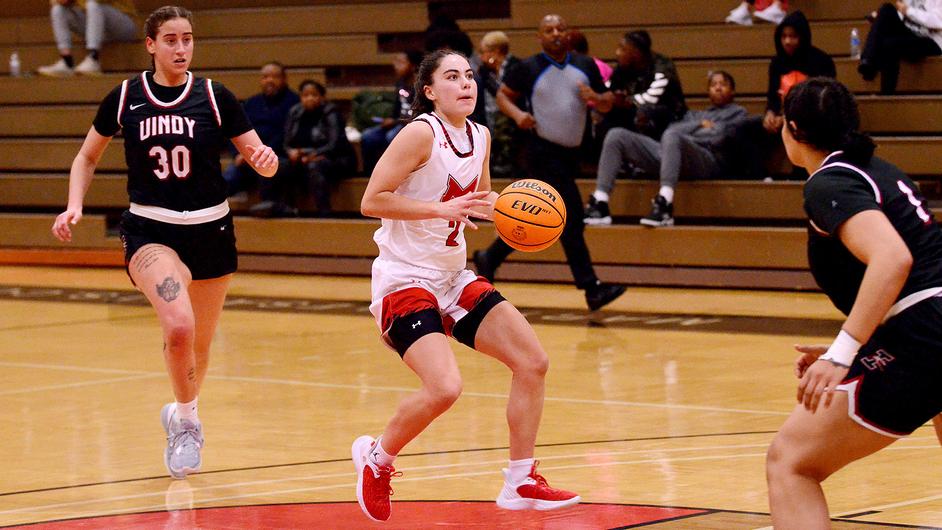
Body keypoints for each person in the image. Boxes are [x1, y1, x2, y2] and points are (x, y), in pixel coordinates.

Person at [353, 49, 580, 523]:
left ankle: (520, 480)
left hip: (454, 277)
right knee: (445, 388)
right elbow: (372, 200)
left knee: (532, 362)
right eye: (452, 77)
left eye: (470, 76)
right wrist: (438, 209)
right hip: (405, 279)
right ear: (430, 91)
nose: (466, 84)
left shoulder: (480, 135)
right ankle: (377, 458)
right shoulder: (420, 133)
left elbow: (477, 198)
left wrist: (516, 211)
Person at [51, 6, 278, 480]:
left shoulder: (215, 96)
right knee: (178, 327)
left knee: (199, 346)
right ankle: (188, 426)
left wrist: (267, 162)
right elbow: (86, 157)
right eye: (171, 40)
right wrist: (74, 204)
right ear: (151, 45)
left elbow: (259, 157)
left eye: (187, 39)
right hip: (151, 231)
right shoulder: (126, 96)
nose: (181, 48)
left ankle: (180, 410)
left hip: (211, 230)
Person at [765, 77, 942, 528]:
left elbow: (893, 259)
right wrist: (859, 345)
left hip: (926, 334)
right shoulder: (879, 171)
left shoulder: (829, 183)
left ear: (793, 129)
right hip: (928, 326)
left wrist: (843, 352)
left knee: (790, 462)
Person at [472, 14, 627, 311]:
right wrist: (519, 116)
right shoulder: (528, 67)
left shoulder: (585, 65)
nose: (556, 33)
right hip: (541, 151)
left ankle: (490, 257)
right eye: (549, 30)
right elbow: (503, 97)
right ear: (540, 37)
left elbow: (606, 102)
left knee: (541, 218)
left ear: (568, 34)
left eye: (560, 28)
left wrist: (597, 98)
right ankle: (591, 287)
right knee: (571, 216)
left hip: (571, 154)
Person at [586, 71, 748, 227]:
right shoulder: (694, 115)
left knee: (673, 137)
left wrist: (687, 136)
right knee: (616, 135)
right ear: (708, 91)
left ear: (732, 91)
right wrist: (699, 125)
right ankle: (600, 201)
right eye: (713, 85)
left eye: (723, 84)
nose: (718, 88)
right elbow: (672, 130)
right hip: (673, 154)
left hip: (706, 159)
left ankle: (665, 204)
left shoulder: (738, 113)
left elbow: (719, 136)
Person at [223, 61, 299, 217]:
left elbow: (286, 134)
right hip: (249, 156)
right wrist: (238, 153)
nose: (269, 80)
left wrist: (260, 153)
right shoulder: (252, 102)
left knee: (270, 168)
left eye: (275, 76)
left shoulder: (294, 103)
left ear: (284, 79)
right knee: (229, 176)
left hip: (277, 156)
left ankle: (268, 206)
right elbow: (235, 129)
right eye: (265, 77)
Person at [283, 80, 356, 216]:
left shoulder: (331, 112)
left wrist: (310, 154)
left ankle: (324, 212)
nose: (309, 98)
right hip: (304, 158)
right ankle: (285, 209)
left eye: (314, 95)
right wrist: (291, 152)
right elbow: (286, 143)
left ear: (322, 97)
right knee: (281, 165)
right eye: (305, 95)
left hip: (337, 158)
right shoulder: (294, 112)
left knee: (315, 166)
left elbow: (334, 144)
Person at [763, 11, 836, 136]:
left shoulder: (821, 61)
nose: (787, 41)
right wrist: (770, 113)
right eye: (783, 36)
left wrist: (787, 119)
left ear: (803, 37)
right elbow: (773, 97)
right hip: (781, 122)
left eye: (793, 36)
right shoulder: (777, 63)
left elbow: (822, 100)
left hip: (813, 120)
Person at [858, 1, 942, 94]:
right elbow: (904, 18)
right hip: (912, 36)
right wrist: (880, 17)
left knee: (889, 44)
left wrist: (908, 11)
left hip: (932, 41)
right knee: (886, 9)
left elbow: (938, 22)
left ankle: (886, 93)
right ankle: (867, 61)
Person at [37, 0, 139, 76]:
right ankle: (67, 61)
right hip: (97, 28)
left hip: (123, 24)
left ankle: (93, 58)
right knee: (58, 9)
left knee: (92, 4)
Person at [360, 50, 422, 174]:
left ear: (413, 66)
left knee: (391, 136)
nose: (395, 65)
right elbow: (397, 108)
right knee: (368, 136)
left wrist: (394, 122)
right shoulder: (400, 83)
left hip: (413, 125)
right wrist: (390, 120)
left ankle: (394, 173)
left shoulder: (421, 86)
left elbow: (419, 114)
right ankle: (371, 174)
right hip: (398, 122)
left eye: (401, 62)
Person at [477, 31, 523, 179]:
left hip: (514, 118)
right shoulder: (485, 71)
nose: (481, 57)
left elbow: (504, 94)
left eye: (483, 52)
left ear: (495, 52)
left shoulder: (516, 66)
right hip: (493, 116)